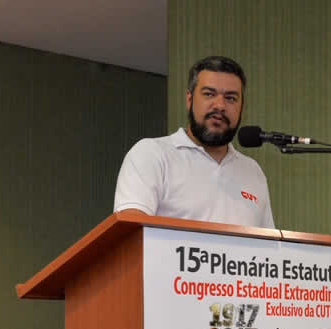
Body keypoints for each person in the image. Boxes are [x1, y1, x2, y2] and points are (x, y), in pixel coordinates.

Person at [113, 56, 274, 228]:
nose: (220, 105)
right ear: (189, 100)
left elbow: (268, 242)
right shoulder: (152, 154)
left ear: (242, 107)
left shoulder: (253, 171)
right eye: (209, 94)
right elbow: (130, 231)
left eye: (230, 98)